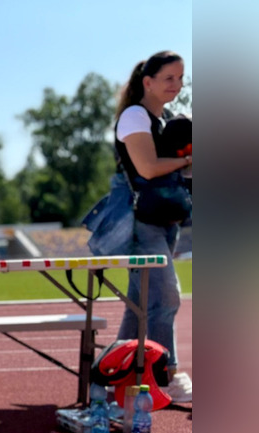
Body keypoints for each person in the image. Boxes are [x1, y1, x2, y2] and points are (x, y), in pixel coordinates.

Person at [111, 51, 192, 403]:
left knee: (139, 304)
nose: (177, 85)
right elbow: (146, 168)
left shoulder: (170, 119)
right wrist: (188, 158)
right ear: (147, 82)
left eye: (181, 78)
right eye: (169, 78)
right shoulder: (134, 116)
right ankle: (165, 374)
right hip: (139, 221)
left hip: (164, 219)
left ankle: (110, 373)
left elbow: (176, 171)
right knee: (166, 296)